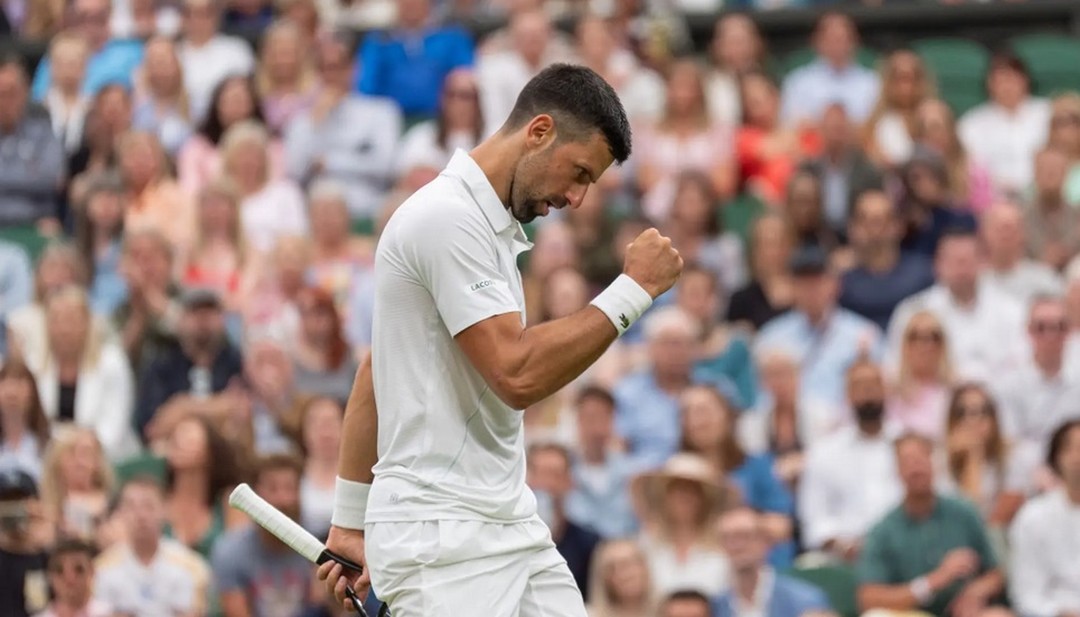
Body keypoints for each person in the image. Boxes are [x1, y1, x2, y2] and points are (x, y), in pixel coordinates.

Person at [318, 63, 680, 617]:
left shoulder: (487, 229)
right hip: (439, 539)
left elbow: (377, 370)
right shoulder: (447, 218)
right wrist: (632, 291)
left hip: (506, 522)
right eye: (579, 172)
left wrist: (347, 519)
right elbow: (516, 374)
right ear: (538, 132)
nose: (579, 198)